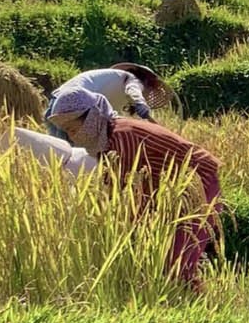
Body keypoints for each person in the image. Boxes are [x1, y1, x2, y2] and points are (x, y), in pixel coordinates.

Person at [45, 89, 222, 289]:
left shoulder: (123, 137)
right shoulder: (107, 142)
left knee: (177, 262)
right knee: (160, 255)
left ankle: (200, 310)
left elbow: (130, 195)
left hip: (198, 183)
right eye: (67, 131)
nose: (73, 137)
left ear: (92, 118)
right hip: (168, 191)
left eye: (74, 129)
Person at [45, 63, 170, 141]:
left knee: (59, 150)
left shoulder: (114, 85)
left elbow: (112, 119)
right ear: (146, 83)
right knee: (72, 150)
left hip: (56, 103)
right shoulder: (133, 80)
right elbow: (134, 91)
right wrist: (140, 102)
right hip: (75, 106)